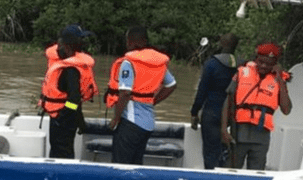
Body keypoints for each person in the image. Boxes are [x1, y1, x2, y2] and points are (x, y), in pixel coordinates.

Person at [106, 26, 176, 165]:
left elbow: (125, 93)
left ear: (132, 42)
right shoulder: (157, 64)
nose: (127, 44)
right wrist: (153, 101)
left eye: (128, 41)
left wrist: (115, 118)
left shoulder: (129, 62)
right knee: (136, 162)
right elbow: (171, 85)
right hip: (148, 123)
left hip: (130, 122)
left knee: (121, 165)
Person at [220, 42, 292, 170]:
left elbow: (286, 110)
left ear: (275, 64)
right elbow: (228, 101)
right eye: (261, 62)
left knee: (256, 172)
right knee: (231, 170)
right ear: (256, 59)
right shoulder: (242, 73)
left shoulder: (278, 80)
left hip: (261, 138)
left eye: (268, 64)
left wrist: (280, 80)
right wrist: (224, 129)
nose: (263, 66)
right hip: (239, 134)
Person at [39, 26, 99, 159]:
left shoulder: (70, 70)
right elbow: (74, 100)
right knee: (60, 150)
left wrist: (63, 116)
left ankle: (61, 177)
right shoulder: (72, 66)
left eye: (60, 45)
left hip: (63, 118)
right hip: (67, 116)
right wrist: (80, 120)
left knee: (61, 153)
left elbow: (74, 100)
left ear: (66, 46)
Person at [190, 33, 239, 169]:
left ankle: (211, 179)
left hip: (212, 111)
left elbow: (202, 91)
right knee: (226, 151)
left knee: (211, 151)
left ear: (222, 44)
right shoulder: (241, 65)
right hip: (232, 114)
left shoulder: (212, 64)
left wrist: (194, 112)